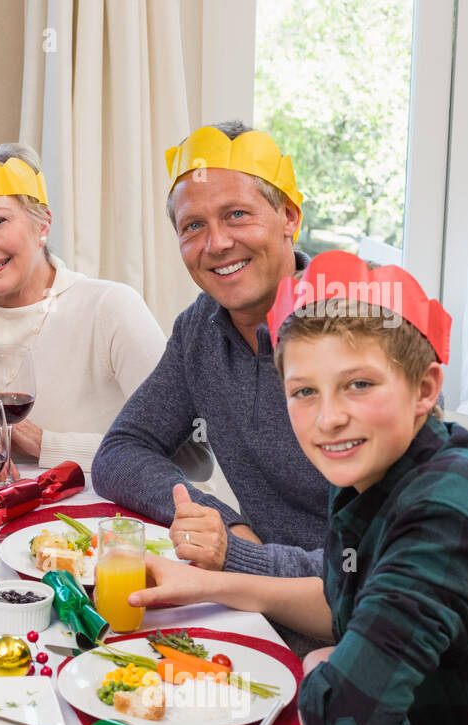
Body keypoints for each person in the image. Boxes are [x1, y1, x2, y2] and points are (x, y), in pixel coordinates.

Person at [130, 252, 468, 725]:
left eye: (359, 383)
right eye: (304, 392)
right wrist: (210, 582)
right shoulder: (380, 466)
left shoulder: (446, 509)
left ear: (425, 388)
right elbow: (341, 598)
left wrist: (326, 664)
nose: (328, 418)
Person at [91, 122, 330, 588]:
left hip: (357, 617)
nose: (217, 243)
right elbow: (120, 452)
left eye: (237, 214)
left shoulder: (352, 328)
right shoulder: (200, 328)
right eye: (194, 226)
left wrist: (243, 556)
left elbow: (381, 561)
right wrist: (223, 522)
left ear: (290, 217)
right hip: (252, 594)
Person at [0, 144, 176, 473]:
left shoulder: (111, 308)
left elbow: (185, 454)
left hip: (102, 522)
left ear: (43, 226)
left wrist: (46, 444)